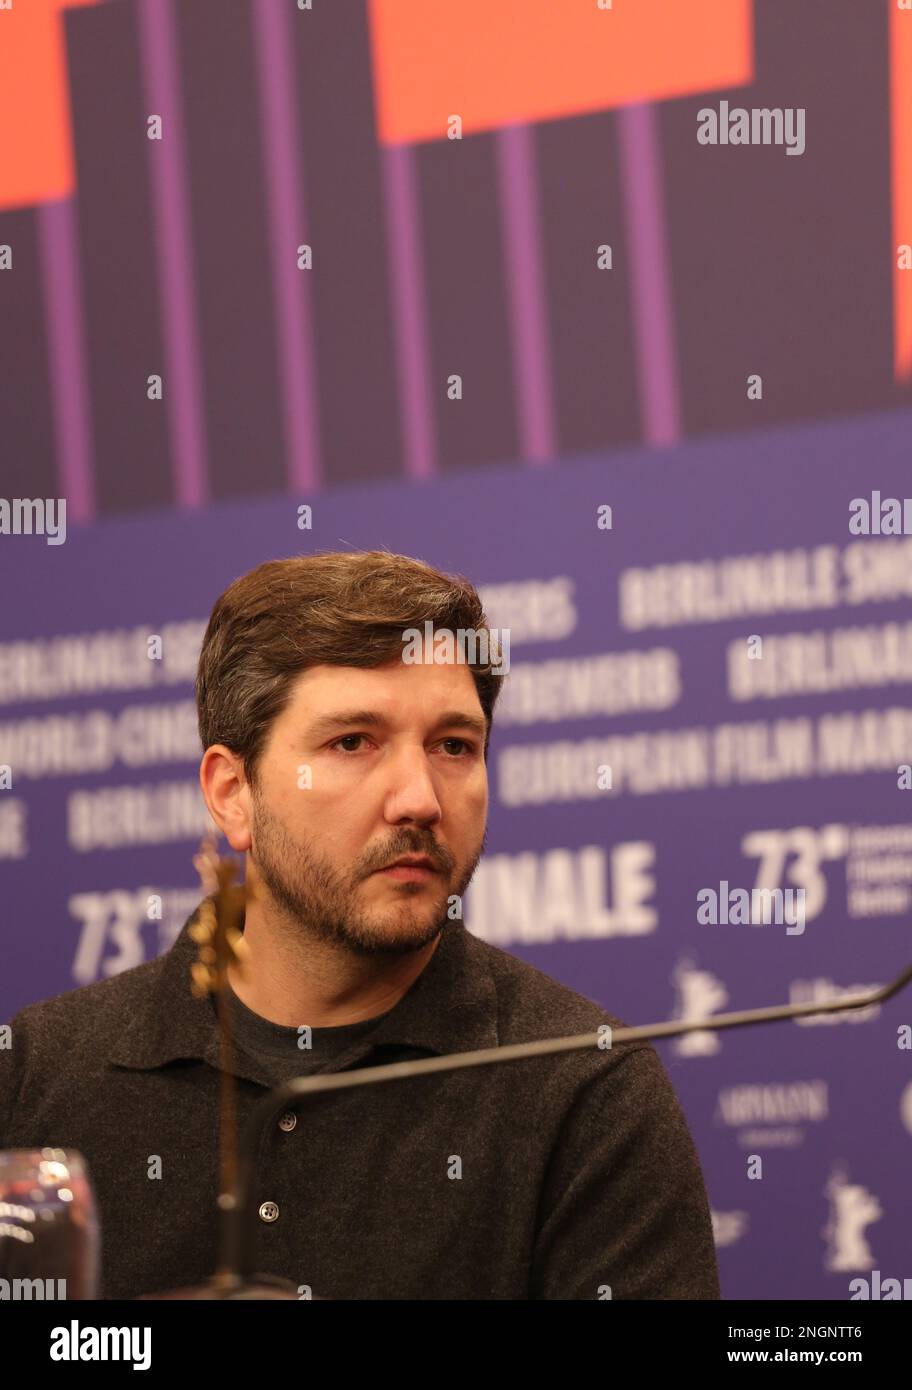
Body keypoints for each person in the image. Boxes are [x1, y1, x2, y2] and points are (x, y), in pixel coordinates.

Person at [0, 550, 720, 1299]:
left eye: (453, 746)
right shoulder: (37, 1077)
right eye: (352, 743)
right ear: (232, 793)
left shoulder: (586, 1091)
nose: (419, 798)